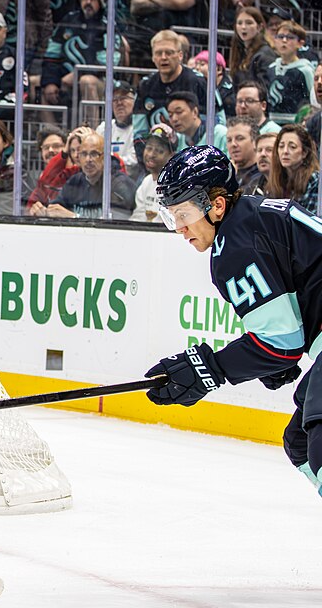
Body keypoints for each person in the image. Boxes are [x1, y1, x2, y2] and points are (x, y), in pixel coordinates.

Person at [144, 145, 322, 502]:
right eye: (172, 216)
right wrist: (272, 360)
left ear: (217, 206)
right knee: (300, 443)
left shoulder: (236, 246)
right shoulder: (252, 219)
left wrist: (211, 369)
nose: (179, 228)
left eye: (184, 214)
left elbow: (280, 345)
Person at [41, 0, 125, 112]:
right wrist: (50, 81)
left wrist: (78, 74)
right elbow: (52, 54)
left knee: (87, 81)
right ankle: (49, 130)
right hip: (66, 78)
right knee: (38, 84)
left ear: (100, 2)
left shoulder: (107, 26)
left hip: (101, 80)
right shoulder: (69, 21)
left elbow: (111, 62)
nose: (88, 2)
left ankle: (92, 129)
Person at [133, 30, 221, 139]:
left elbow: (217, 124)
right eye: (159, 53)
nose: (164, 57)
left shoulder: (200, 82)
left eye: (169, 53)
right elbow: (139, 133)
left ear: (180, 55)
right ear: (153, 57)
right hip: (158, 152)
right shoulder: (145, 86)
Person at [44, 132, 136, 219]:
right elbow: (56, 208)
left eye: (94, 154)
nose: (88, 159)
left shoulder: (121, 185)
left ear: (105, 157)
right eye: (84, 154)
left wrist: (75, 217)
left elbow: (117, 224)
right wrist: (44, 211)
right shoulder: (74, 182)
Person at [266, 21, 318, 125]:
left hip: (295, 123)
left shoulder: (305, 70)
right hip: (272, 122)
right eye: (280, 37)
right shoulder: (271, 68)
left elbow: (314, 98)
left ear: (300, 43)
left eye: (290, 37)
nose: (284, 41)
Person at [27, 125, 88, 212]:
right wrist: (34, 210)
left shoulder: (76, 173)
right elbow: (45, 184)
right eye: (46, 147)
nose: (51, 150)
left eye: (56, 146)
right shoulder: (63, 175)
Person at [264, 124, 320, 215]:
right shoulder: (276, 180)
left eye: (292, 147)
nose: (285, 151)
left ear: (304, 153)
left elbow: (310, 221)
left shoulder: (314, 180)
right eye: (281, 146)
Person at [130, 123, 176, 222]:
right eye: (149, 148)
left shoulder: (175, 185)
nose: (151, 154)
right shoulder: (146, 182)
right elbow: (138, 217)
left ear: (171, 156)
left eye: (159, 151)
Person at [95, 81, 139, 176]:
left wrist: (106, 159)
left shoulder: (139, 128)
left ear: (134, 101)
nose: (119, 103)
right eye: (114, 99)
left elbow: (134, 162)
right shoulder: (104, 128)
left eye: (124, 98)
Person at [227, 7, 275, 89]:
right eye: (239, 23)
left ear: (259, 27)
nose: (243, 27)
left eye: (249, 23)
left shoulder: (265, 54)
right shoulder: (240, 51)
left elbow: (264, 88)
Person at [225, 116, 265, 195]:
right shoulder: (225, 174)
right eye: (229, 140)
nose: (233, 144)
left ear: (255, 142)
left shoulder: (264, 176)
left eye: (239, 138)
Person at [193, 50, 236, 118]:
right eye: (196, 64)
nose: (197, 68)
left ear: (219, 69)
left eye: (202, 64)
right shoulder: (199, 85)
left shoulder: (229, 91)